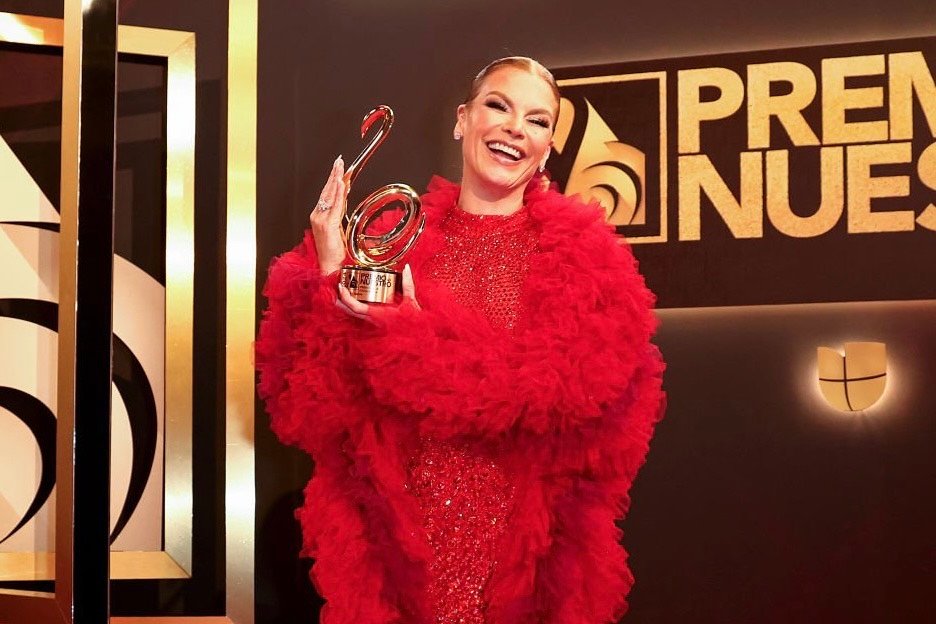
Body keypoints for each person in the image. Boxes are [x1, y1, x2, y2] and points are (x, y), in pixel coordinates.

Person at [256, 56, 665, 624]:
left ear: (549, 145)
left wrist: (411, 339)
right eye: (498, 106)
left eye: (537, 120)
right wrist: (332, 266)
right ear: (462, 119)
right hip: (399, 550)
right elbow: (318, 412)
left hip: (527, 552)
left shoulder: (588, 263)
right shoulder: (391, 239)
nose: (515, 128)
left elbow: (549, 400)